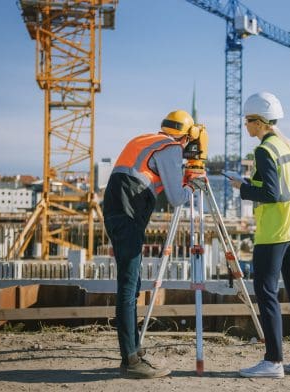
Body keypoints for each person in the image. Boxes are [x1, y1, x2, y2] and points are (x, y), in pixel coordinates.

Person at [103, 110, 205, 379]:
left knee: (132, 283)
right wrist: (193, 186)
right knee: (128, 286)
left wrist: (182, 180)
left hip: (117, 209)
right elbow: (176, 198)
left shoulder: (147, 140)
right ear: (186, 137)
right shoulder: (171, 148)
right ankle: (131, 360)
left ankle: (133, 350)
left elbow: (154, 179)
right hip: (128, 213)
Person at [231, 92, 290, 378]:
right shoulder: (285, 146)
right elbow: (278, 185)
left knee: (266, 292)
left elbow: (271, 192)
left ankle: (273, 361)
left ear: (259, 122)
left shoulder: (265, 150)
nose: (245, 126)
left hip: (275, 231)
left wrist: (241, 188)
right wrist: (250, 183)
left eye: (247, 121)